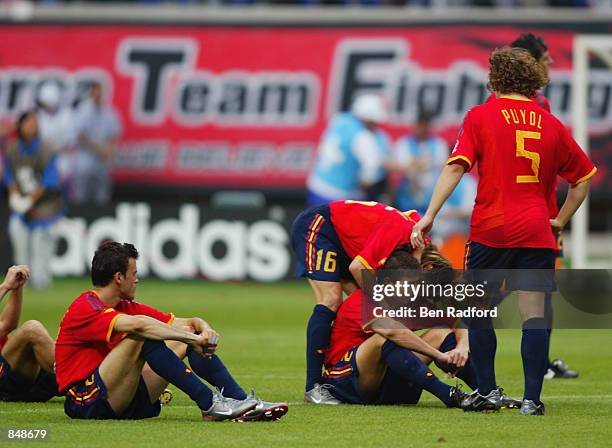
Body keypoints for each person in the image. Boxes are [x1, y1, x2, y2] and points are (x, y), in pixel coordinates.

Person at [411, 47, 597, 415]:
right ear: (532, 80)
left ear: (494, 78)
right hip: (536, 230)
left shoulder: (481, 116)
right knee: (536, 315)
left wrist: (430, 214)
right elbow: (583, 179)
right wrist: (560, 219)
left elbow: (455, 167)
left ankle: (489, 391)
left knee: (478, 312)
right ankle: (532, 400)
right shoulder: (550, 122)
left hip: (490, 228)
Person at [55, 241, 288, 421]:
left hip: (121, 396)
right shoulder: (86, 306)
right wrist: (192, 338)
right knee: (142, 335)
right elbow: (139, 326)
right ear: (119, 277)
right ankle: (210, 404)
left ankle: (244, 403)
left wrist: (202, 331)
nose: (137, 280)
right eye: (134, 274)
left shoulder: (127, 307)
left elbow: (190, 323)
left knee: (177, 335)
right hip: (86, 401)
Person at [291, 199, 453, 403]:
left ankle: (362, 367)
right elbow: (357, 268)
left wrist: (461, 344)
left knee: (365, 312)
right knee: (332, 300)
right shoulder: (402, 234)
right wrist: (384, 309)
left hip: (349, 245)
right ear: (426, 268)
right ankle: (313, 387)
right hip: (321, 226)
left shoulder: (414, 245)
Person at [321, 251, 475, 407]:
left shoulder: (412, 303)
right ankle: (449, 394)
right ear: (389, 283)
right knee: (384, 337)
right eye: (410, 284)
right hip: (345, 382)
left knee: (441, 332)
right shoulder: (363, 300)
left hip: (387, 385)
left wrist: (462, 347)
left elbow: (458, 321)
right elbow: (393, 332)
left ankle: (486, 392)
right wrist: (438, 355)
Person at [3, 110, 65, 289]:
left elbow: (49, 181)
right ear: (20, 126)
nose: (33, 126)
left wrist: (27, 202)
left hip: (45, 207)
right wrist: (15, 197)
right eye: (29, 122)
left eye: (35, 122)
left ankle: (41, 284)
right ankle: (20, 284)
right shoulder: (13, 148)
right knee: (17, 235)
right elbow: (9, 176)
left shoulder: (47, 148)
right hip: (21, 208)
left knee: (41, 248)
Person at [306, 94, 390, 206]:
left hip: (317, 184)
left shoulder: (339, 119)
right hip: (340, 195)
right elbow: (371, 168)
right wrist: (365, 185)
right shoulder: (363, 136)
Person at [0, 265, 59, 402]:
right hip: (5, 380)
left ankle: (90, 376)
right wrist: (4, 287)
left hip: (16, 376)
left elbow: (6, 324)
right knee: (31, 330)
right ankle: (83, 381)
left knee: (60, 342)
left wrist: (16, 288)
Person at [72, 81, 122, 205]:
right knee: (80, 197)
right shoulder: (83, 111)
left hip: (102, 162)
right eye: (95, 92)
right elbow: (80, 136)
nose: (98, 95)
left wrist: (110, 150)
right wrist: (99, 149)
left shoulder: (109, 112)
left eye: (100, 92)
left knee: (102, 197)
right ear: (90, 93)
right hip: (85, 161)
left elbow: (115, 135)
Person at [391, 109, 449, 216]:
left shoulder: (439, 145)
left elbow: (443, 168)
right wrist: (418, 164)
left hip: (430, 197)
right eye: (421, 125)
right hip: (407, 196)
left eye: (426, 125)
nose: (423, 129)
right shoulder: (403, 143)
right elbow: (399, 166)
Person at [36, 81, 76, 187]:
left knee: (65, 178)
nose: (45, 106)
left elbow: (70, 142)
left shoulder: (67, 115)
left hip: (64, 158)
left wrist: (56, 148)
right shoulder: (40, 116)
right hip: (45, 157)